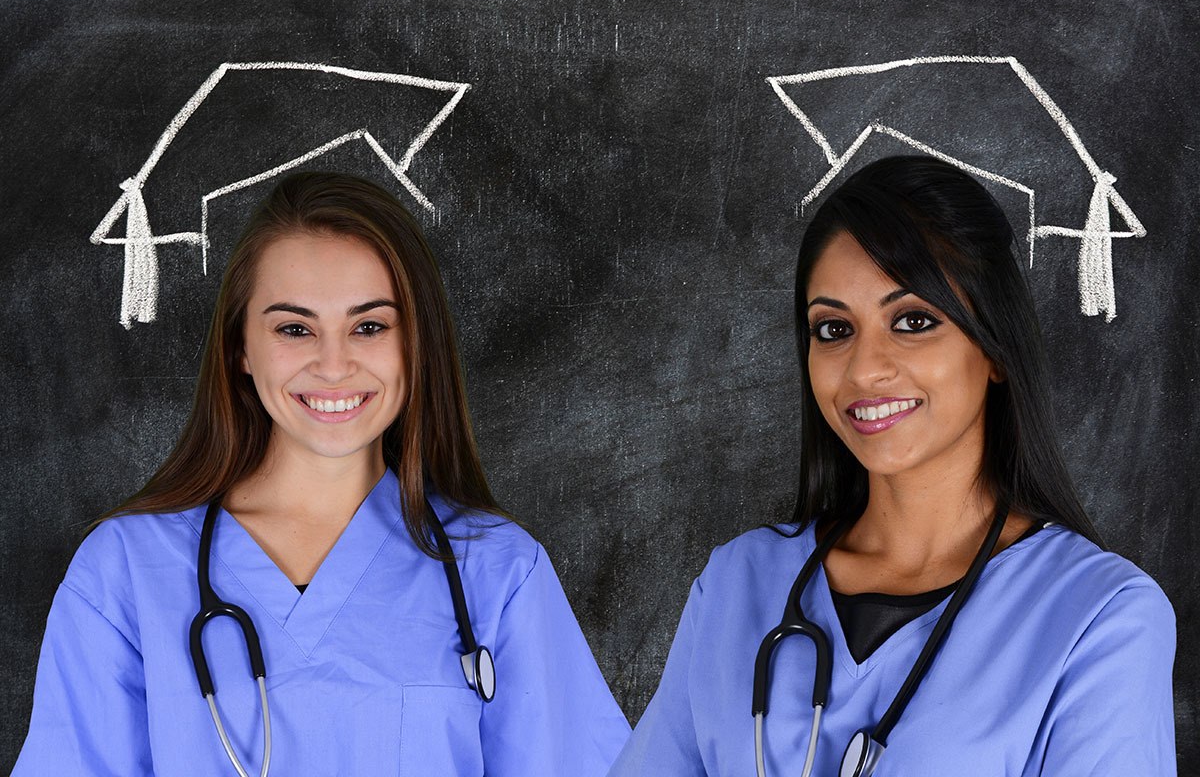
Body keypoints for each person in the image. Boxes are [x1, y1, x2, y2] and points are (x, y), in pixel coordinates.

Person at [15, 172, 630, 776]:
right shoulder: (124, 572)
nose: (333, 365)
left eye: (369, 326)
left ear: (417, 345)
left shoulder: (496, 571)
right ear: (242, 350)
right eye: (294, 328)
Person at [609, 156, 1176, 776]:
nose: (862, 369)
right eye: (833, 330)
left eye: (912, 321)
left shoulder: (1100, 615)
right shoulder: (736, 586)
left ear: (995, 350)